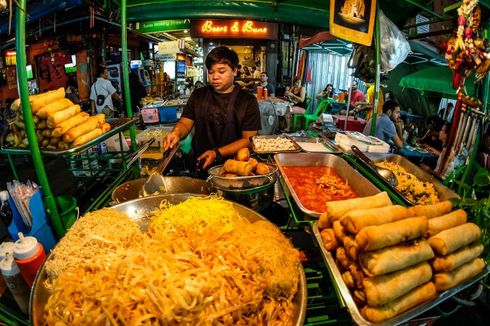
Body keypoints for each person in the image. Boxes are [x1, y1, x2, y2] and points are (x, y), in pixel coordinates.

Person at [163, 46, 261, 171]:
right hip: (200, 163)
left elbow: (248, 140)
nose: (215, 77)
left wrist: (217, 153)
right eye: (211, 71)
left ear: (235, 71)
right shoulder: (198, 95)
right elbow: (185, 123)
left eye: (221, 71)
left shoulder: (247, 101)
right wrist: (175, 133)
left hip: (234, 167)